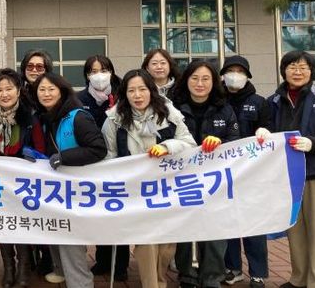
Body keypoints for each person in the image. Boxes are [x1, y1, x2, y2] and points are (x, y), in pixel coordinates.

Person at [103, 69, 196, 288]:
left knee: (166, 246)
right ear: (124, 93)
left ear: (151, 90)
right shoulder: (114, 120)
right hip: (134, 192)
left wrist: (167, 146)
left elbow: (189, 143)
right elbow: (109, 156)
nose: (137, 95)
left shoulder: (169, 113)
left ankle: (160, 281)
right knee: (147, 242)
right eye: (131, 90)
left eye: (142, 89)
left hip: (167, 188)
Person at [267, 51, 315, 288]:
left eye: (304, 67)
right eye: (292, 67)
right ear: (283, 70)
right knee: (294, 230)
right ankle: (299, 279)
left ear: (312, 71)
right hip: (288, 175)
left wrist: (312, 143)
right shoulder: (274, 101)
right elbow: (268, 131)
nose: (298, 72)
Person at [33, 72, 107, 288]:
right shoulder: (46, 118)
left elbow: (98, 149)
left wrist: (64, 157)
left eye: (51, 89)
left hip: (78, 191)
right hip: (56, 189)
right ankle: (60, 270)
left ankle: (81, 283)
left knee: (69, 237)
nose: (46, 94)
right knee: (55, 229)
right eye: (41, 90)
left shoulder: (78, 117)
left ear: (62, 91)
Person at [172, 60, 240, 288]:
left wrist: (220, 142)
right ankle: (187, 276)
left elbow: (235, 141)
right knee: (183, 229)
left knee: (215, 231)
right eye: (194, 78)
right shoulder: (174, 107)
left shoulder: (225, 108)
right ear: (186, 80)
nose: (199, 83)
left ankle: (212, 278)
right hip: (183, 180)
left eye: (205, 79)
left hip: (215, 181)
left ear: (214, 82)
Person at [0, 68, 38, 287]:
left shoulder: (30, 116)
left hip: (23, 183)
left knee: (21, 224)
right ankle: (8, 268)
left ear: (19, 90)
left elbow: (39, 149)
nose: (4, 94)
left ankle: (23, 268)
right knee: (3, 223)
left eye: (9, 88)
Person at [219, 56, 271, 288]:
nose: (235, 75)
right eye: (230, 70)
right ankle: (232, 268)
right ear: (223, 75)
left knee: (254, 223)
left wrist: (265, 132)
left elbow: (270, 130)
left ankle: (258, 272)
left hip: (253, 172)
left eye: (240, 71)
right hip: (225, 172)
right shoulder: (218, 101)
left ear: (247, 76)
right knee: (228, 221)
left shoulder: (259, 102)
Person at [76, 54, 127, 279]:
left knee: (118, 215)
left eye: (104, 70)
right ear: (87, 75)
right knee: (99, 215)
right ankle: (102, 259)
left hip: (118, 163)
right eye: (93, 71)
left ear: (112, 72)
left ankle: (121, 265)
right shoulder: (79, 99)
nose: (99, 76)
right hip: (92, 164)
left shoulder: (122, 96)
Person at [17, 48, 56, 277]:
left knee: (46, 209)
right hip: (23, 159)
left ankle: (48, 255)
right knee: (26, 208)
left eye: (39, 67)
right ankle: (28, 255)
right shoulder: (17, 92)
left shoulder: (54, 91)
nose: (34, 70)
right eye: (30, 66)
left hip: (49, 159)